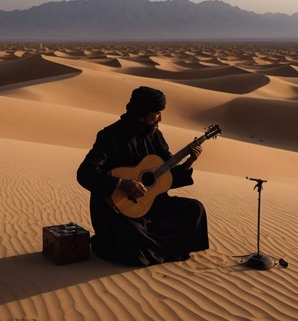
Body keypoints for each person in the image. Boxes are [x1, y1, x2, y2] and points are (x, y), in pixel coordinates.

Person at [77, 86, 209, 266]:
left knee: (194, 208)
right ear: (142, 112)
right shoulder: (110, 136)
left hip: (151, 204)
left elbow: (165, 178)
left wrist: (189, 162)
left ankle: (160, 250)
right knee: (131, 233)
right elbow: (85, 173)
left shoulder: (155, 136)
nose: (160, 118)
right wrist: (121, 183)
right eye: (156, 113)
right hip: (117, 208)